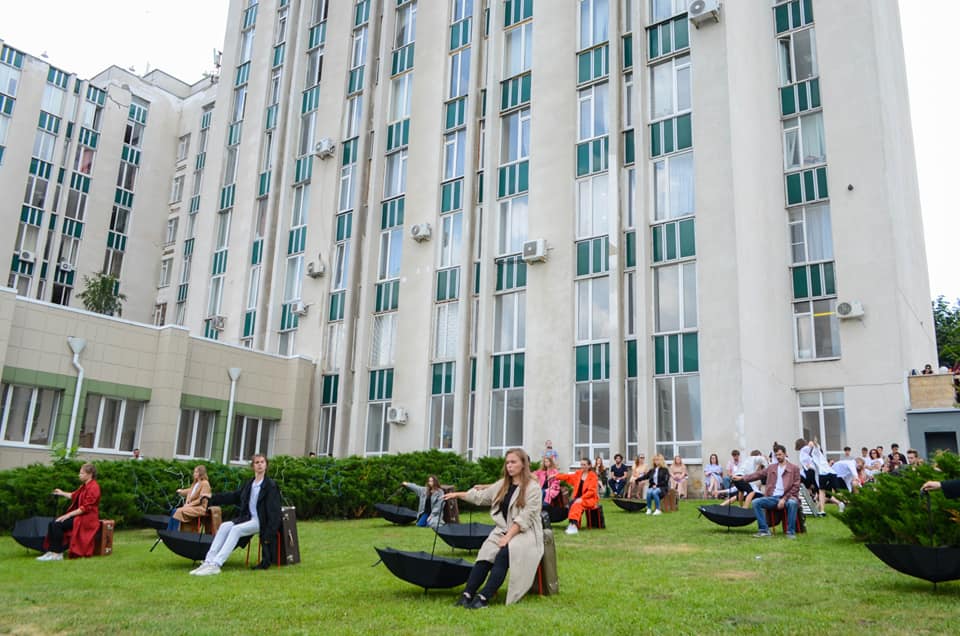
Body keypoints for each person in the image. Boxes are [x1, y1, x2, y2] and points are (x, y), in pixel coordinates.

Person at [444, 448, 543, 608]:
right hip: (503, 530)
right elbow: (481, 497)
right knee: (485, 554)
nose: (509, 465)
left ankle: (484, 597)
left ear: (523, 464)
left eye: (513, 462)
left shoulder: (533, 488)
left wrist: (508, 537)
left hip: (526, 533)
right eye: (507, 462)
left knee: (504, 554)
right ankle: (467, 594)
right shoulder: (502, 485)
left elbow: (525, 517)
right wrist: (458, 495)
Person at [190, 454, 282, 575]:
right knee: (224, 526)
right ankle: (208, 561)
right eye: (257, 462)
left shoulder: (271, 486)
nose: (260, 465)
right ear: (253, 466)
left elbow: (275, 512)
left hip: (262, 522)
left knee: (236, 530)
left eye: (262, 462)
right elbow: (233, 496)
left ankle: (216, 564)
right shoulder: (249, 484)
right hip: (247, 519)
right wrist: (212, 497)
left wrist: (269, 533)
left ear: (266, 465)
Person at [735, 443, 801, 539]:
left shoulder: (794, 468)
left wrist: (784, 499)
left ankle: (790, 532)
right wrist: (742, 478)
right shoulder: (771, 467)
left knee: (792, 503)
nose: (778, 457)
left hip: (788, 497)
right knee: (756, 502)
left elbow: (796, 487)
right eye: (776, 455)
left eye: (780, 454)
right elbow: (757, 475)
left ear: (785, 454)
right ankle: (764, 530)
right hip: (773, 497)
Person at [37, 463, 101, 561]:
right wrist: (61, 493)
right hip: (80, 516)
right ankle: (51, 551)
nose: (79, 475)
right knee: (53, 523)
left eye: (82, 473)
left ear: (90, 474)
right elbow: (73, 495)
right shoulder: (84, 486)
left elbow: (86, 508)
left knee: (58, 524)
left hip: (87, 519)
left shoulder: (94, 487)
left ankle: (57, 554)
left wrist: (68, 515)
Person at [556, 457, 600, 534]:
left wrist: (582, 498)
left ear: (589, 465)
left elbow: (592, 491)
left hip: (589, 499)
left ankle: (574, 526)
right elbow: (568, 477)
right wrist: (556, 476)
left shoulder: (593, 476)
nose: (582, 466)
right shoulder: (578, 473)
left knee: (577, 504)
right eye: (581, 464)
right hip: (578, 498)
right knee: (572, 503)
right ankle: (573, 524)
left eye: (584, 465)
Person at [171, 464, 212, 531]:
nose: (194, 474)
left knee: (177, 511)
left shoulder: (205, 483)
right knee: (174, 511)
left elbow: (201, 499)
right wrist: (181, 491)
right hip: (192, 507)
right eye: (194, 472)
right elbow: (190, 491)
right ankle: (170, 531)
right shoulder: (196, 483)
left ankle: (173, 532)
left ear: (201, 473)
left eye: (196, 472)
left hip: (200, 507)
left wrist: (189, 505)